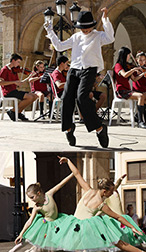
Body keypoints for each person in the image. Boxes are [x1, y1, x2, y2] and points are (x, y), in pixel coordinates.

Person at [58, 157, 146, 252]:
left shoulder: (87, 190)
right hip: (87, 226)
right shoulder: (101, 204)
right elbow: (118, 217)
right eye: (111, 191)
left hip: (73, 225)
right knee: (115, 239)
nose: (112, 193)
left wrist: (68, 161)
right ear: (104, 191)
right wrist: (132, 227)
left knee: (77, 251)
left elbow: (76, 174)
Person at [44, 8, 114, 148]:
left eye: (87, 27)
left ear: (92, 26)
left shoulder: (98, 36)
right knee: (66, 97)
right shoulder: (76, 37)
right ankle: (69, 129)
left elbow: (110, 37)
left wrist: (105, 18)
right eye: (82, 28)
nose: (85, 30)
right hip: (74, 70)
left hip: (89, 69)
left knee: (82, 97)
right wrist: (50, 31)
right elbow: (59, 46)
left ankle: (100, 129)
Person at [3, 172, 74, 252]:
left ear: (39, 193)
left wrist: (72, 174)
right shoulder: (36, 207)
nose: (32, 200)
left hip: (58, 221)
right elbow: (29, 221)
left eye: (32, 197)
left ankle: (78, 248)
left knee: (71, 229)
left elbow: (61, 184)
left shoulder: (49, 194)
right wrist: (21, 234)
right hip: (46, 224)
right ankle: (11, 251)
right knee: (29, 238)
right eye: (30, 198)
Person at [113, 47, 146, 128]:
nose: (129, 56)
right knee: (141, 96)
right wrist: (134, 69)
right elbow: (124, 74)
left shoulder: (127, 66)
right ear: (125, 55)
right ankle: (140, 121)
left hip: (127, 90)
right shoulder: (118, 66)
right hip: (121, 91)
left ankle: (138, 116)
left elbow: (134, 79)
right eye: (129, 55)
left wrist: (143, 74)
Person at [0, 53, 38, 121]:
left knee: (35, 96)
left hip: (14, 91)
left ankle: (18, 112)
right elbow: (1, 82)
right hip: (8, 92)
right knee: (29, 97)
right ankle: (12, 111)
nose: (19, 64)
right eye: (18, 62)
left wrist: (30, 76)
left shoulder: (14, 70)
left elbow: (19, 82)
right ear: (13, 61)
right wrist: (14, 82)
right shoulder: (5, 69)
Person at [132, 52, 146, 123]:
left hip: (145, 89)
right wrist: (143, 73)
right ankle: (141, 116)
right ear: (137, 60)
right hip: (138, 89)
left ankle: (138, 114)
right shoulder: (135, 69)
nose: (142, 62)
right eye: (140, 60)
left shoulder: (145, 69)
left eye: (144, 60)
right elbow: (135, 79)